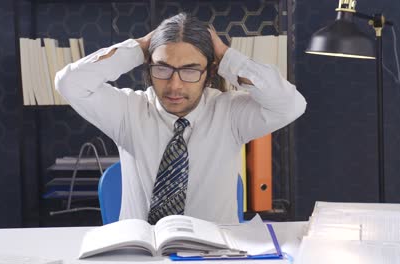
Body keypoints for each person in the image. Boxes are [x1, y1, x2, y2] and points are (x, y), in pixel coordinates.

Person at [55, 13, 306, 224]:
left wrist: (226, 56)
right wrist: (138, 48)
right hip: (142, 255)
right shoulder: (127, 110)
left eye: (190, 70)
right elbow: (69, 83)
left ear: (209, 72)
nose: (174, 85)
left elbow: (291, 105)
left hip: (214, 256)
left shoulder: (229, 113)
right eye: (162, 68)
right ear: (148, 67)